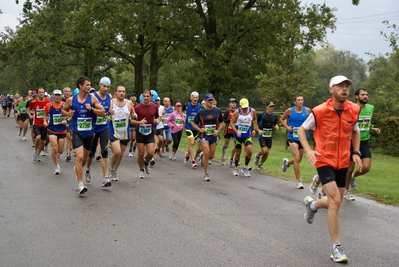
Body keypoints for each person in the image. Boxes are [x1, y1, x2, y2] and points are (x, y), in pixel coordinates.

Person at [298, 75, 362, 263]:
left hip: (343, 161)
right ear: (331, 89)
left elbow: (356, 131)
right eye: (340, 86)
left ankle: (312, 205)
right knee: (335, 200)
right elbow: (302, 130)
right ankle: (336, 247)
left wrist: (356, 151)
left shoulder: (353, 110)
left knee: (337, 201)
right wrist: (309, 150)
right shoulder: (319, 111)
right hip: (323, 159)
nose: (345, 89)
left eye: (347, 86)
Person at [62, 76, 106, 195]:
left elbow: (103, 113)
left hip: (89, 134)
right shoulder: (71, 100)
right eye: (87, 84)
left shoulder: (92, 99)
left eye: (90, 84)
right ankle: (80, 185)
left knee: (85, 159)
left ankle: (78, 169)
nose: (89, 87)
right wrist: (68, 113)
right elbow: (63, 111)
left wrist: (91, 109)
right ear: (80, 86)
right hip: (76, 132)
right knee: (80, 157)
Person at [344, 88, 381, 201]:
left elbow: (365, 121)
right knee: (350, 168)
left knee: (366, 167)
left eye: (366, 94)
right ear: (357, 97)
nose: (365, 96)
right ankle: (346, 191)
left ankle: (353, 178)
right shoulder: (352, 108)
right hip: (351, 141)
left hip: (364, 141)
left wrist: (372, 127)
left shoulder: (371, 108)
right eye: (362, 95)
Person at [85, 77, 113, 187]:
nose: (106, 89)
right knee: (91, 152)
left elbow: (108, 111)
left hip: (104, 126)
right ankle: (87, 169)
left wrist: (110, 113)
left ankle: (106, 177)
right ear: (99, 85)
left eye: (108, 87)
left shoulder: (109, 97)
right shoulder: (92, 96)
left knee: (105, 151)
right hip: (93, 127)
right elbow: (88, 111)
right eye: (104, 86)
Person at [279, 95, 311, 189]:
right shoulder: (290, 110)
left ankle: (287, 163)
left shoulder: (307, 110)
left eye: (302, 100)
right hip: (292, 136)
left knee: (298, 160)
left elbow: (313, 120)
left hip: (303, 137)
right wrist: (287, 127)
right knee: (296, 157)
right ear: (295, 102)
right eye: (298, 100)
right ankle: (298, 181)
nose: (300, 101)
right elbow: (281, 119)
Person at [191, 93, 224, 181]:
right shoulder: (201, 112)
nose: (210, 102)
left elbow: (222, 123)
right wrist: (199, 129)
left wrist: (218, 130)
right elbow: (193, 123)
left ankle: (203, 157)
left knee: (211, 155)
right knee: (207, 152)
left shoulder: (217, 111)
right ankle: (206, 173)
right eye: (209, 100)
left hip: (213, 136)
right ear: (205, 101)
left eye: (212, 100)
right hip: (203, 136)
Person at [108, 85, 136, 181]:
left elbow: (133, 113)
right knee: (117, 151)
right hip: (113, 131)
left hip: (125, 131)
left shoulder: (129, 103)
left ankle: (114, 171)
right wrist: (108, 115)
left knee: (120, 154)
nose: (121, 93)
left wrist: (134, 115)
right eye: (119, 91)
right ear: (115, 93)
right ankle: (111, 169)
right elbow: (105, 113)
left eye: (123, 91)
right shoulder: (111, 102)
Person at [133, 89, 160, 179]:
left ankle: (146, 163)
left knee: (151, 153)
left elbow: (158, 117)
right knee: (140, 153)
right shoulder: (137, 107)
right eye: (144, 96)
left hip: (150, 132)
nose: (146, 98)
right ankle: (141, 170)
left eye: (148, 96)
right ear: (142, 96)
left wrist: (157, 120)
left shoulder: (154, 106)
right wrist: (139, 122)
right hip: (140, 132)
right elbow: (132, 120)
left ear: (151, 97)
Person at [230, 98, 259, 177]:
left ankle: (245, 167)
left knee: (249, 150)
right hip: (238, 135)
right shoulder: (237, 112)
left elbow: (255, 119)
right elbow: (231, 123)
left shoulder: (252, 111)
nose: (245, 109)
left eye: (246, 107)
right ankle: (236, 168)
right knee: (238, 152)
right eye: (244, 107)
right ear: (240, 106)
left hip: (247, 134)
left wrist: (254, 129)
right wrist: (236, 131)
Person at [43, 89, 67, 175]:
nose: (57, 97)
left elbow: (71, 115)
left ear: (61, 96)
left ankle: (57, 155)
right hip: (51, 129)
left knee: (60, 151)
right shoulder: (48, 105)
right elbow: (45, 115)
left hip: (62, 130)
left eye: (58, 95)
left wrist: (66, 120)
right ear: (53, 96)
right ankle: (57, 166)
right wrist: (44, 121)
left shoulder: (65, 105)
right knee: (54, 148)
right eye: (55, 95)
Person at [253, 101, 279, 170]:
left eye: (272, 106)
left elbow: (274, 124)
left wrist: (276, 126)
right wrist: (258, 130)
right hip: (262, 135)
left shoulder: (274, 116)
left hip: (269, 135)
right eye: (270, 106)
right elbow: (255, 122)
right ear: (266, 107)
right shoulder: (262, 115)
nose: (271, 108)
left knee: (267, 151)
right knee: (264, 150)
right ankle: (257, 155)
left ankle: (261, 164)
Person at [27, 88, 50, 162]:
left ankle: (38, 154)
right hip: (36, 123)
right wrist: (30, 115)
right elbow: (28, 108)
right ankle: (35, 150)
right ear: (37, 93)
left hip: (44, 123)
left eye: (42, 92)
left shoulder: (47, 102)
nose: (41, 94)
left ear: (44, 93)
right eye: (40, 92)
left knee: (42, 141)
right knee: (38, 137)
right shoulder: (33, 102)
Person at [183, 91, 202, 168]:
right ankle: (193, 161)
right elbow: (181, 110)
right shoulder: (187, 105)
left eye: (196, 97)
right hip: (188, 126)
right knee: (191, 142)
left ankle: (188, 154)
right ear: (191, 98)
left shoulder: (200, 106)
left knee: (192, 144)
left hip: (196, 128)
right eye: (193, 97)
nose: (195, 99)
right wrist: (182, 117)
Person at [221, 98, 237, 167]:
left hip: (235, 130)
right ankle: (223, 157)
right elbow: (224, 120)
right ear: (229, 104)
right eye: (232, 103)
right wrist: (231, 120)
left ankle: (233, 158)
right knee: (226, 145)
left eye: (234, 103)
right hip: (228, 130)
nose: (233, 104)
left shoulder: (237, 111)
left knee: (236, 145)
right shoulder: (227, 111)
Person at [61, 87, 73, 162]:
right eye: (65, 91)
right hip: (59, 120)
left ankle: (68, 153)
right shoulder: (59, 99)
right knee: (60, 137)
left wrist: (67, 119)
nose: (67, 93)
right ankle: (58, 150)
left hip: (69, 120)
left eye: (68, 91)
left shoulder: (72, 100)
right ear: (63, 92)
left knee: (69, 137)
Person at [128, 93, 137, 157]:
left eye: (134, 96)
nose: (133, 97)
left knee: (133, 138)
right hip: (128, 122)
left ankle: (130, 150)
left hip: (135, 122)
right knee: (129, 138)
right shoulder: (127, 104)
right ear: (130, 98)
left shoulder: (138, 105)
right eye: (132, 96)